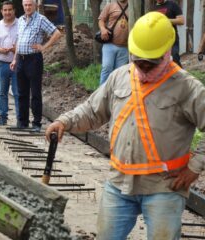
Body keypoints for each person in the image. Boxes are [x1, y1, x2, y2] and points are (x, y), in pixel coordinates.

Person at [46, 12, 204, 240]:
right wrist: (64, 121)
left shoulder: (187, 88)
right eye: (137, 60)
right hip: (119, 184)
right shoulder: (120, 77)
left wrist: (195, 167)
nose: (142, 68)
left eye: (149, 64)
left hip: (163, 187)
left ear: (166, 53)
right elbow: (92, 110)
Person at [10, 0, 61, 132]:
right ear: (22, 6)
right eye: (25, 5)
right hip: (20, 59)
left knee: (35, 93)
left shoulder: (41, 19)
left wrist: (44, 47)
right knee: (22, 93)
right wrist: (15, 59)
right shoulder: (20, 20)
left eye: (30, 5)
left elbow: (57, 33)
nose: (27, 7)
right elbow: (19, 40)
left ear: (35, 6)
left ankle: (36, 123)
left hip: (33, 60)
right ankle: (22, 122)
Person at [0, 1, 19, 126]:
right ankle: (2, 117)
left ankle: (20, 118)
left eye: (10, 10)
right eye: (5, 10)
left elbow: (23, 42)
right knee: (2, 92)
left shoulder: (21, 24)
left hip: (17, 64)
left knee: (18, 92)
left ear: (14, 10)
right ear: (1, 11)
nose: (7, 12)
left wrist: (15, 49)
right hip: (2, 63)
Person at [98, 0, 129, 85]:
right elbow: (101, 20)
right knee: (107, 68)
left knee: (118, 73)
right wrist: (103, 29)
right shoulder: (110, 5)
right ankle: (101, 92)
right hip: (110, 43)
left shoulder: (133, 7)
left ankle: (114, 93)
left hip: (125, 46)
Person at [153, 0, 184, 67]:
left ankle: (180, 75)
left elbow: (181, 21)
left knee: (174, 58)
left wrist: (165, 20)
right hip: (158, 41)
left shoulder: (172, 4)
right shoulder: (153, 8)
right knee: (160, 62)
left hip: (172, 38)